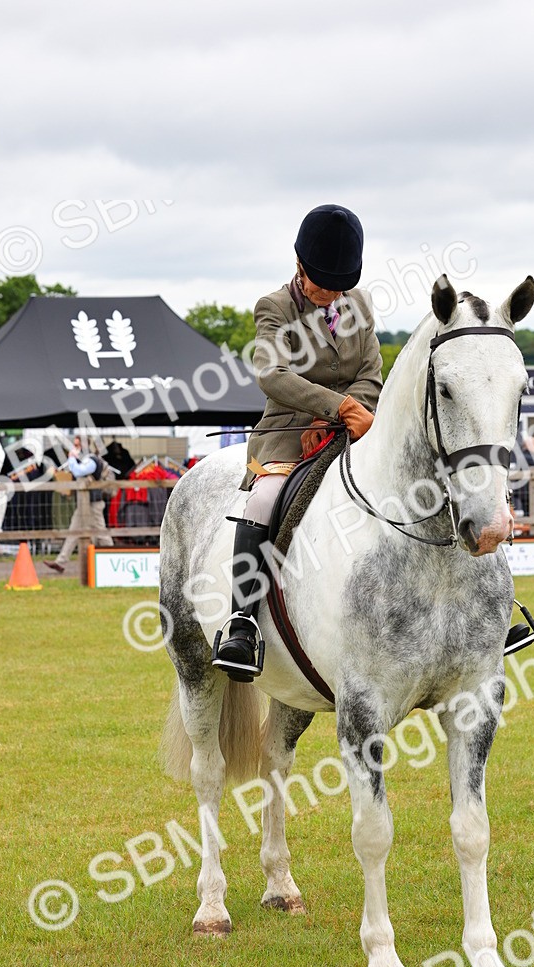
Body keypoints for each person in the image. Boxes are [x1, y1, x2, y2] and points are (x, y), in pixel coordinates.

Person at [212, 204, 383, 681]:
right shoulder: (275, 308)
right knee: (264, 499)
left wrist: (346, 415)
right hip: (288, 434)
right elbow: (271, 374)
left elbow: (371, 373)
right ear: (299, 265)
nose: (330, 296)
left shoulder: (360, 304)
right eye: (321, 285)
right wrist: (330, 409)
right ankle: (242, 622)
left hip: (353, 428)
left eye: (338, 288)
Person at [45, 440, 113, 573]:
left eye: (77, 445)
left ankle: (115, 558)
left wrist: (71, 458)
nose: (74, 448)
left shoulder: (92, 461)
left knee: (101, 533)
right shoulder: (88, 460)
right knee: (73, 532)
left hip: (93, 504)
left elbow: (77, 471)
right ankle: (60, 562)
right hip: (84, 504)